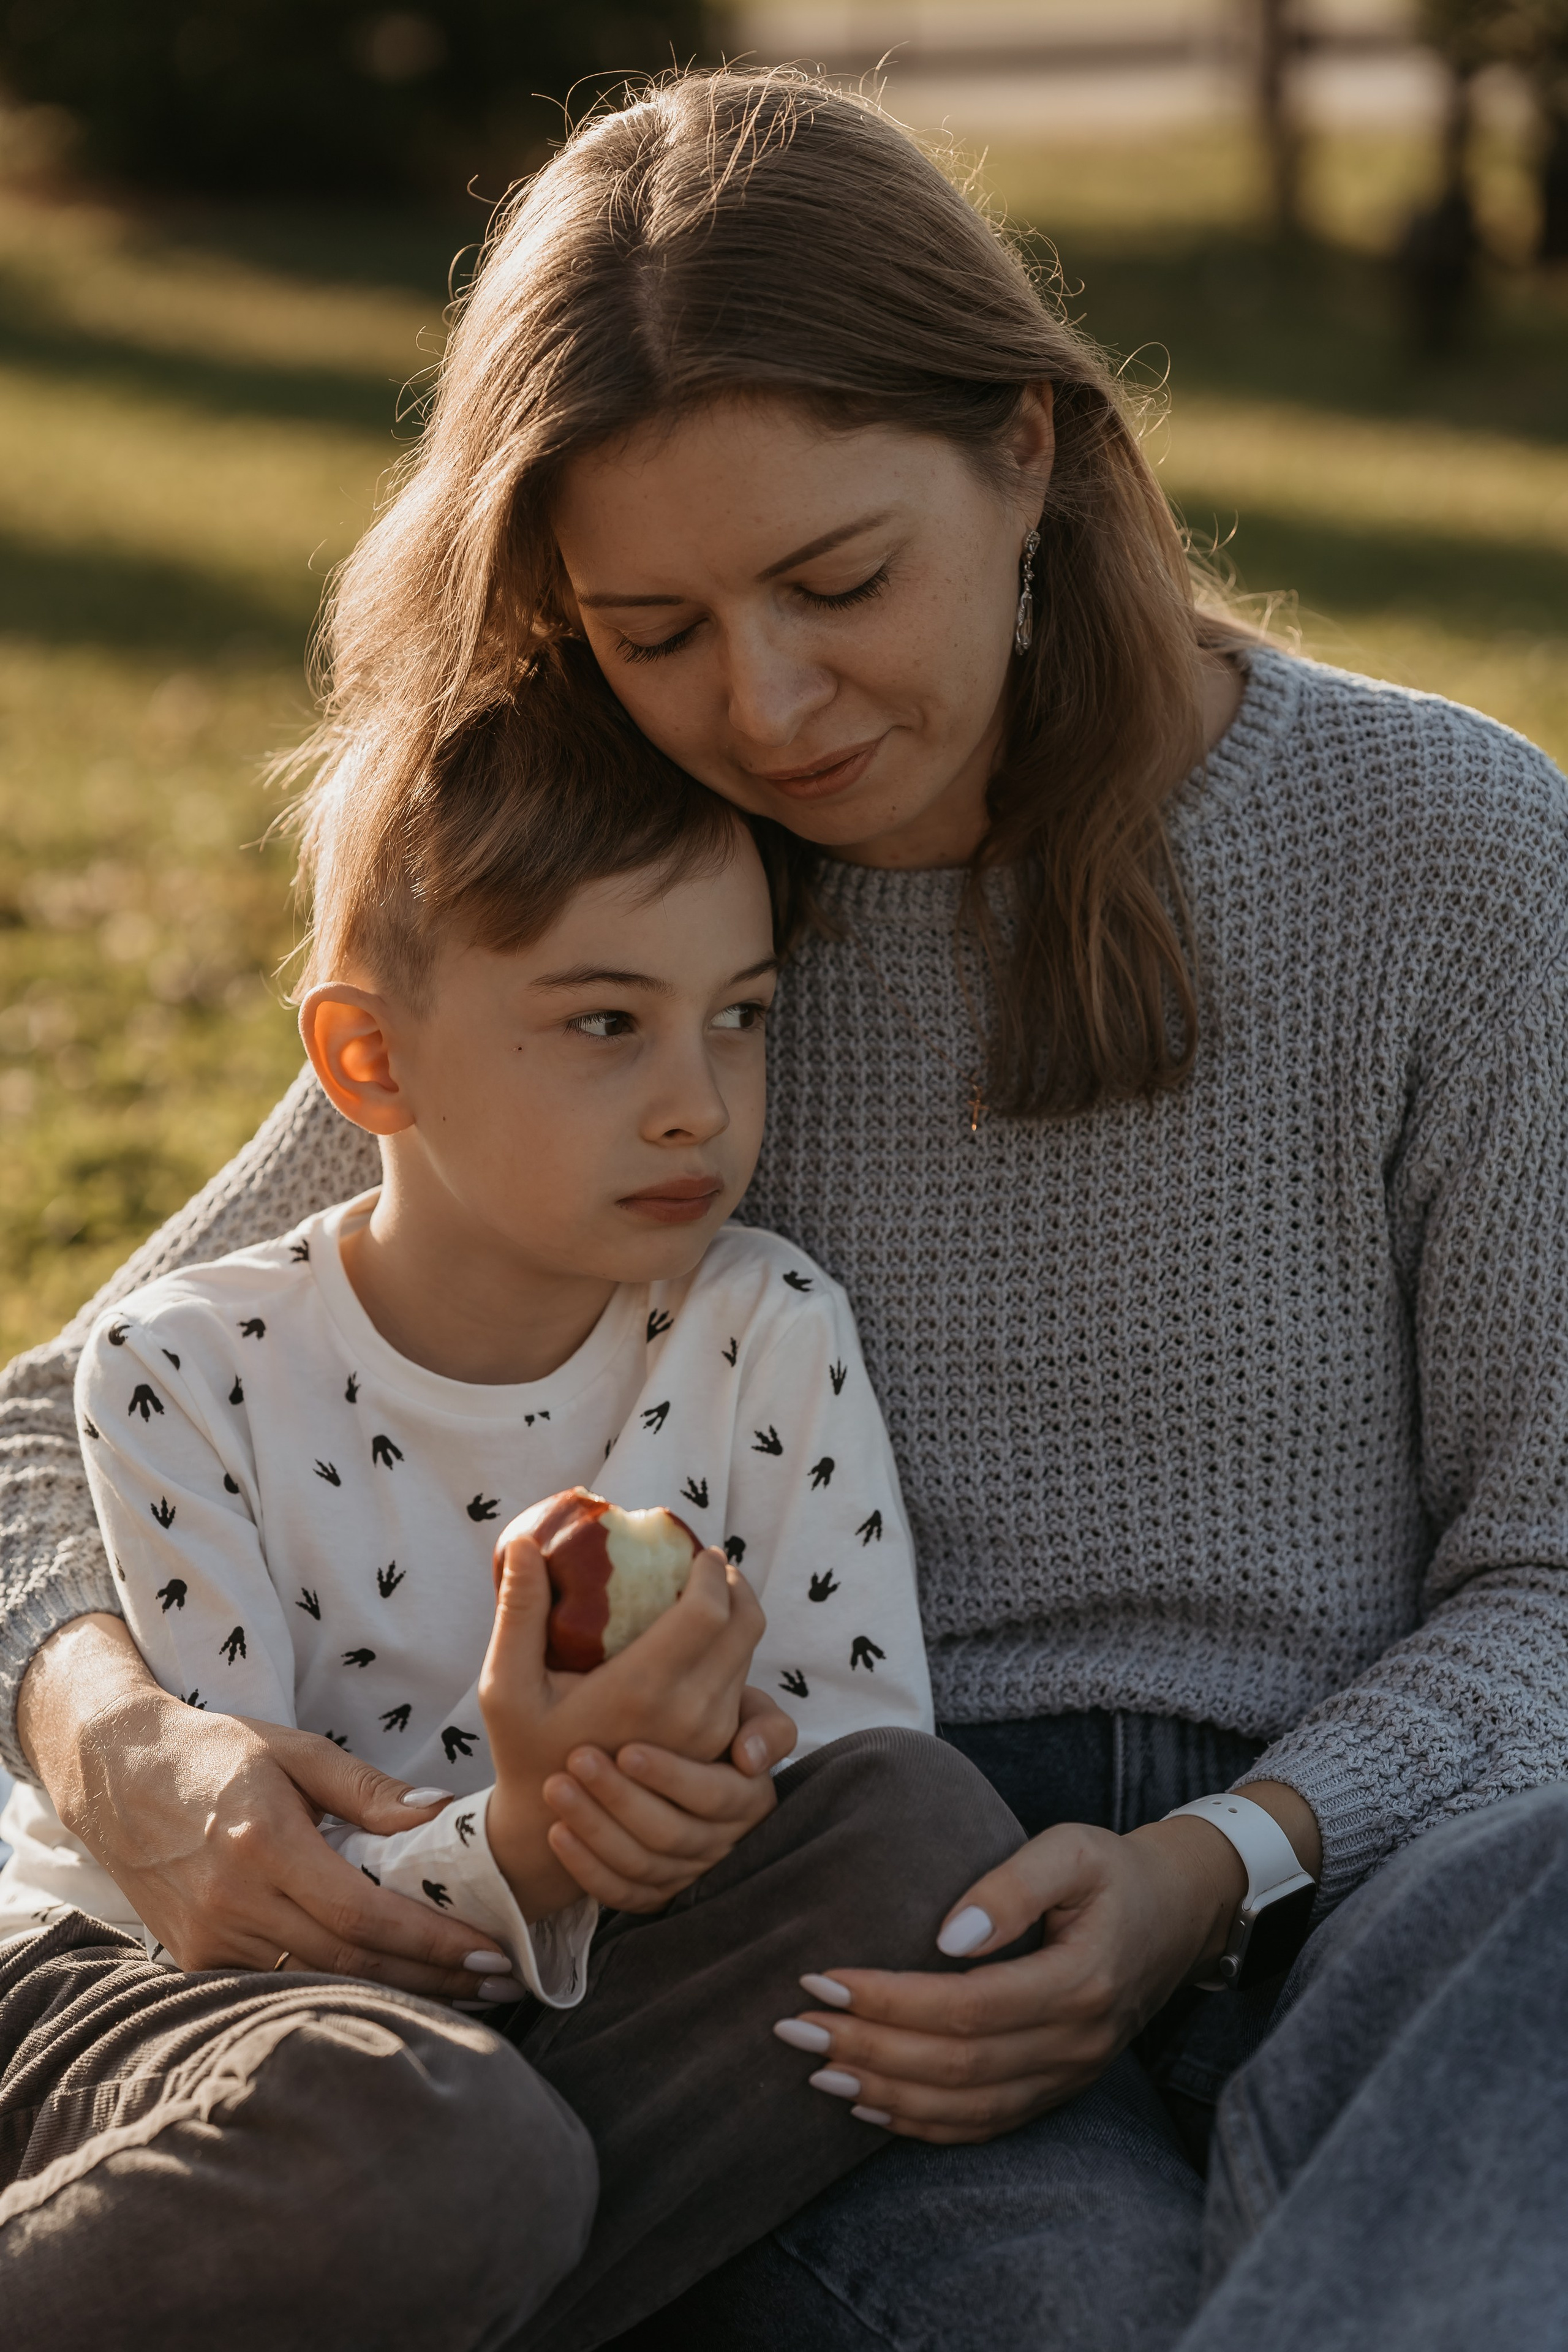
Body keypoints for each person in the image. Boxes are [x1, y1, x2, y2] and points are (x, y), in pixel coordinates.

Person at [4, 64, 1567, 2352]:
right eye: (653, 629)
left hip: (1371, 1860)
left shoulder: (1449, 852)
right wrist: (115, 1740)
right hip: (857, 1918)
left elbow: (1556, 1572)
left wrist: (1213, 1867)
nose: (765, 705)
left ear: (1028, 452)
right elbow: (66, 1410)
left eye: (840, 583)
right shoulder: (648, 920)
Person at [2, 653, 933, 1978]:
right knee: (383, 2085)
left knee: (920, 1819)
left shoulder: (766, 1328)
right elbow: (248, 1881)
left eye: (739, 1014)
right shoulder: (184, 1374)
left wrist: (722, 1809)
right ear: (371, 1059)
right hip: (194, 1995)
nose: (702, 1106)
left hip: (604, 1982)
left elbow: (856, 1766)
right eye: (606, 1021)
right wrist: (524, 1845)